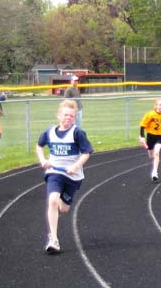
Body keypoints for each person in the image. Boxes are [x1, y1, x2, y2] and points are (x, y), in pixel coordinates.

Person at [36, 99, 93, 254]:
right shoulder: (49, 132)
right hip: (55, 172)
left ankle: (63, 198)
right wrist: (43, 160)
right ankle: (53, 239)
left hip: (73, 176)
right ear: (58, 116)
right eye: (65, 115)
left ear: (74, 118)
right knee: (53, 200)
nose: (68, 118)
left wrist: (75, 166)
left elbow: (87, 152)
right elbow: (39, 145)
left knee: (64, 208)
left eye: (71, 116)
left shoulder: (77, 133)